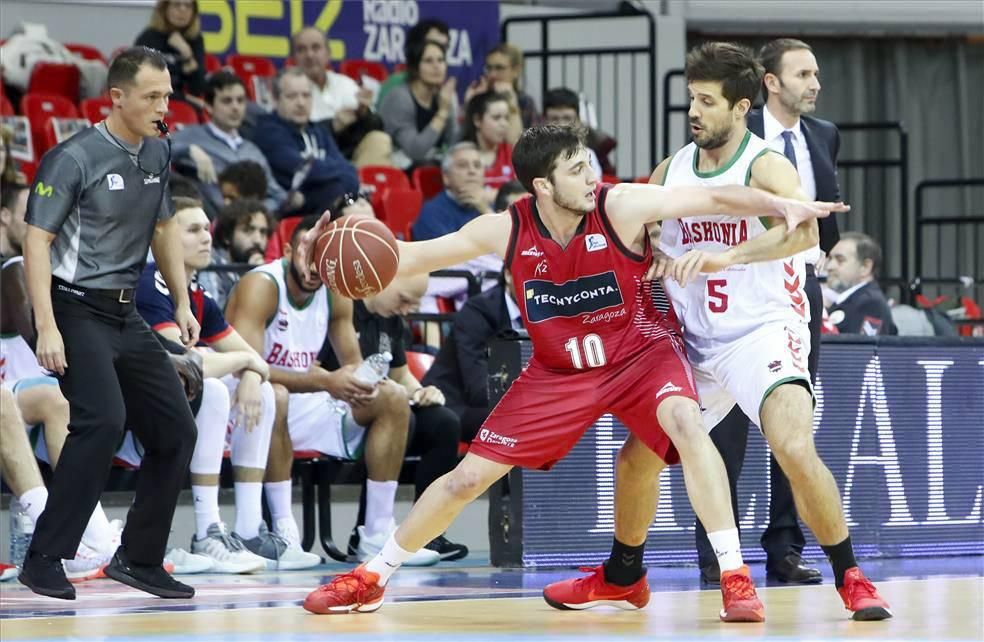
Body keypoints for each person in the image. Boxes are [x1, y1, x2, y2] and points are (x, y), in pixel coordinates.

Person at [300, 124, 843, 618]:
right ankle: (371, 578)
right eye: (576, 168)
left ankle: (735, 577)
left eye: (591, 163)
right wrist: (324, 252)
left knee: (686, 421)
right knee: (468, 478)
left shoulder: (621, 205)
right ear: (542, 185)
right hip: (560, 370)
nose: (592, 175)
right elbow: (409, 256)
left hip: (640, 352)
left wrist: (783, 203)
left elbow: (713, 195)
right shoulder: (503, 230)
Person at [649, 42, 890, 619]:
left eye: (706, 101)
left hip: (761, 330)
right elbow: (640, 229)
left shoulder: (766, 164)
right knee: (640, 455)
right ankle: (624, 572)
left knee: (792, 444)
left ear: (739, 107)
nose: (694, 111)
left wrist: (724, 256)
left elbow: (805, 236)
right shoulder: (672, 168)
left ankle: (850, 574)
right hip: (694, 338)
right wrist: (652, 247)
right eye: (691, 99)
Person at [20, 47, 199, 601]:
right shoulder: (72, 158)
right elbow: (36, 241)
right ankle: (44, 557)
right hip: (74, 307)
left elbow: (165, 227)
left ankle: (140, 559)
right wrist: (46, 325)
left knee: (176, 431)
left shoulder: (159, 150)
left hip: (125, 313)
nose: (162, 105)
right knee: (101, 421)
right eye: (151, 96)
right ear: (116, 98)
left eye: (166, 94)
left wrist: (181, 302)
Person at [691, 38, 845, 585]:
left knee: (790, 426)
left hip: (797, 284)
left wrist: (819, 248)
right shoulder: (732, 136)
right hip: (731, 283)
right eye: (804, 73)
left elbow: (814, 222)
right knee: (723, 429)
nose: (815, 84)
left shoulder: (825, 135)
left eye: (817, 73)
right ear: (769, 84)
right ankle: (719, 554)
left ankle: (785, 547)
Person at [224, 217, 439, 566]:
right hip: (247, 403)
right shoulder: (261, 285)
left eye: (319, 260)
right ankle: (283, 532)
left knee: (393, 398)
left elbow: (350, 364)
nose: (311, 268)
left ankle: (377, 533)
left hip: (305, 402)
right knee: (274, 393)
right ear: (289, 251)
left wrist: (361, 384)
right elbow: (247, 368)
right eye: (305, 256)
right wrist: (327, 381)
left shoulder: (336, 293)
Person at [136, 196, 319, 571]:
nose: (206, 237)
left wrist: (252, 372)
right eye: (192, 230)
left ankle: (250, 530)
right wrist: (248, 362)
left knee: (264, 392)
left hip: (174, 405)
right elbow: (188, 363)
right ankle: (208, 532)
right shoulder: (149, 283)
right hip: (137, 405)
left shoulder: (200, 294)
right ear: (164, 236)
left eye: (207, 228)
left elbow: (254, 361)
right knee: (216, 388)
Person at [318, 273, 469, 561]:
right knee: (400, 417)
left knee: (444, 423)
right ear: (380, 282)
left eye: (414, 303)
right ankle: (369, 531)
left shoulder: (391, 320)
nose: (407, 309)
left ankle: (427, 533)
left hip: (387, 407)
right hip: (340, 409)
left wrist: (422, 392)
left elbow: (400, 374)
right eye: (403, 299)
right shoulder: (344, 310)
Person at [422, 269, 523, 443]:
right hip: (456, 404)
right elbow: (478, 388)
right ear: (508, 275)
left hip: (507, 402)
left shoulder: (546, 312)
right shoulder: (477, 312)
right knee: (518, 421)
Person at [171, 70, 286, 215]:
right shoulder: (191, 136)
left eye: (240, 100)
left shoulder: (253, 150)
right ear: (208, 106)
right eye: (227, 101)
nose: (235, 107)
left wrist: (253, 211)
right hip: (209, 221)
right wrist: (188, 150)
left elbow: (278, 196)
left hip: (249, 225)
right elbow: (153, 151)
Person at [252, 68, 359, 217]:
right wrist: (333, 174)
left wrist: (307, 198)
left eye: (306, 95)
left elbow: (351, 174)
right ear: (275, 100)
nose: (301, 103)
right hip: (291, 219)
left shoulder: (319, 132)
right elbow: (302, 171)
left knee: (355, 204)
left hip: (321, 211)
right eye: (292, 96)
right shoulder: (268, 132)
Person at [291, 27, 392, 167]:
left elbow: (376, 125)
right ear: (293, 58)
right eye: (301, 49)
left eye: (316, 48)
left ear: (328, 53)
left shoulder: (345, 84)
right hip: (315, 159)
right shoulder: (289, 91)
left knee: (379, 140)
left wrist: (363, 114)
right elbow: (292, 136)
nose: (309, 55)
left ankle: (361, 185)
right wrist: (332, 126)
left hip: (351, 155)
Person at [378, 39, 458, 170]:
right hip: (398, 168)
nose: (437, 66)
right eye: (428, 61)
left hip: (433, 164)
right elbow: (415, 151)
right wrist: (443, 112)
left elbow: (453, 145)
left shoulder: (446, 95)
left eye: (441, 60)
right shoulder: (399, 98)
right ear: (415, 67)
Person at [196, 198, 271, 309]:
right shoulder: (212, 263)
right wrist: (250, 280)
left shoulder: (267, 271)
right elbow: (214, 317)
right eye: (248, 230)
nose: (258, 240)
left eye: (263, 232)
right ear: (227, 236)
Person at [134, 0, 206, 107]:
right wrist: (185, 98)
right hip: (151, 103)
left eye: (188, 6)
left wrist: (187, 55)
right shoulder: (148, 38)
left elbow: (198, 88)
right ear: (164, 9)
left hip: (182, 106)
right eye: (177, 4)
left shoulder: (195, 40)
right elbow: (143, 83)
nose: (183, 10)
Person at [825, 232, 897, 335]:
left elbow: (860, 349)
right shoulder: (849, 301)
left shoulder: (871, 304)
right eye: (830, 259)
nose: (829, 267)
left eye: (840, 260)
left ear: (865, 267)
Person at [375, 19, 450, 109]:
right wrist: (443, 113)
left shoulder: (446, 91)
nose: (437, 50)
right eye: (431, 44)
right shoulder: (396, 86)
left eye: (444, 47)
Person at [465, 43, 540, 133]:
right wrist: (470, 104)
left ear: (516, 71)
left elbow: (531, 143)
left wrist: (512, 104)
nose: (492, 74)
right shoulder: (478, 97)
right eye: (489, 68)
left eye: (499, 68)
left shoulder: (525, 102)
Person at [459, 91, 518, 194]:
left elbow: (521, 195)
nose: (504, 124)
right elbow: (466, 195)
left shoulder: (513, 154)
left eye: (506, 118)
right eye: (496, 118)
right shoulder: (461, 156)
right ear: (477, 120)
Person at [542, 88, 609, 178]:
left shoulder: (588, 155)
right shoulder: (535, 155)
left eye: (567, 118)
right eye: (554, 119)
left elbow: (594, 189)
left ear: (578, 120)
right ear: (544, 120)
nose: (561, 124)